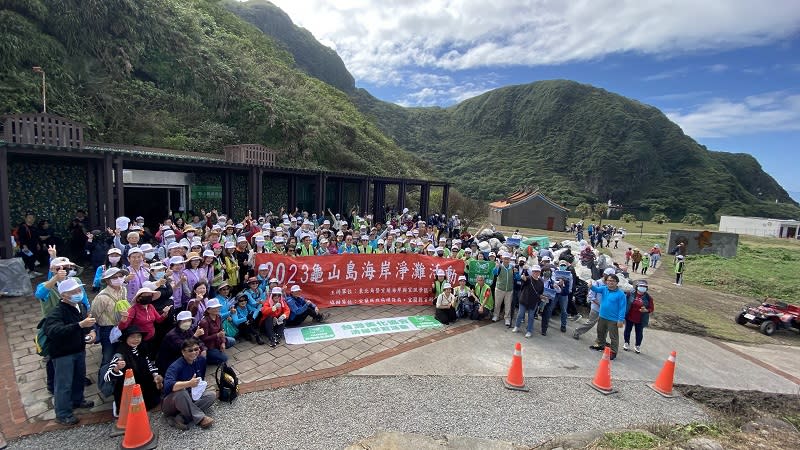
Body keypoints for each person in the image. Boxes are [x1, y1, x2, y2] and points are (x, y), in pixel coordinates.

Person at [42, 278, 96, 426]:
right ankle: (63, 413)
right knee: (63, 383)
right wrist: (79, 325)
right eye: (74, 292)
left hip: (79, 349)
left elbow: (86, 325)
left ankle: (78, 400)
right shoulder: (57, 312)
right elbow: (53, 331)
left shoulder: (80, 307)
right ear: (64, 295)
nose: (78, 293)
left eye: (79, 290)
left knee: (79, 377)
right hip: (63, 353)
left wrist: (90, 332)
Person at [104, 325, 163, 416]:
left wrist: (155, 375)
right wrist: (116, 368)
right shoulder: (120, 354)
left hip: (144, 385)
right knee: (131, 411)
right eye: (132, 337)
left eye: (138, 336)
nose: (136, 339)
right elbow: (106, 377)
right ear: (126, 338)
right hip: (128, 387)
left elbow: (149, 365)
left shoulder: (142, 348)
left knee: (150, 404)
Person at [89, 267, 129, 397]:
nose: (119, 279)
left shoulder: (123, 289)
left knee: (120, 354)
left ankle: (118, 381)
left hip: (121, 326)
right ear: (107, 280)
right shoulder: (101, 297)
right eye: (114, 277)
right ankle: (105, 386)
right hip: (108, 329)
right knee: (107, 356)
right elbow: (95, 316)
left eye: (120, 276)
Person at [162, 338, 215, 430]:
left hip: (190, 396)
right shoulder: (175, 366)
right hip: (171, 402)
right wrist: (189, 384)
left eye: (196, 349)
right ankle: (200, 418)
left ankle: (181, 417)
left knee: (211, 395)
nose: (194, 352)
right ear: (183, 352)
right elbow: (169, 386)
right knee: (181, 392)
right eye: (190, 350)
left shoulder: (201, 360)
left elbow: (200, 380)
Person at [589, 274, 628, 360]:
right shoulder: (604, 288)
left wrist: (620, 320)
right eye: (609, 280)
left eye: (612, 281)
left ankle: (613, 352)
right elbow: (596, 289)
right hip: (602, 316)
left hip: (613, 319)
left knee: (613, 336)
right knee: (600, 331)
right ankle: (600, 345)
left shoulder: (621, 294)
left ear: (616, 283)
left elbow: (622, 308)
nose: (610, 282)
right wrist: (591, 286)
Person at [574, 268, 616, 342]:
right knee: (591, 322)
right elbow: (591, 296)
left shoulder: (611, 286)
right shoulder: (598, 283)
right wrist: (599, 304)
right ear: (604, 275)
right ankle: (577, 331)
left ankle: (601, 340)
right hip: (596, 308)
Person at [623, 280, 655, 353]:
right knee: (627, 330)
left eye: (644, 287)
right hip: (630, 316)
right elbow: (624, 302)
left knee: (639, 333)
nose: (642, 288)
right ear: (637, 287)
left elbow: (651, 308)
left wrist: (646, 310)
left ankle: (637, 345)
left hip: (641, 318)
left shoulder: (648, 298)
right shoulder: (630, 294)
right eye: (641, 286)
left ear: (646, 288)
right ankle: (626, 343)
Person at [198, 299, 232, 365]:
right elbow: (203, 339)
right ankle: (209, 358)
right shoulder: (204, 322)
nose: (217, 309)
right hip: (209, 345)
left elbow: (221, 330)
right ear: (208, 310)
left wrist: (223, 342)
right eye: (214, 308)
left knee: (232, 341)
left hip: (218, 341)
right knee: (224, 359)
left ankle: (217, 352)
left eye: (218, 307)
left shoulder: (218, 316)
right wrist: (217, 335)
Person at [513, 265, 544, 338]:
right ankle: (517, 326)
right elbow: (524, 279)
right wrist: (523, 277)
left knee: (531, 317)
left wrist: (541, 297)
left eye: (537, 271)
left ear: (539, 272)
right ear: (532, 272)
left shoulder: (541, 282)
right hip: (524, 300)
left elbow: (540, 293)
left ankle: (529, 331)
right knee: (520, 314)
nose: (536, 273)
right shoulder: (528, 278)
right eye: (534, 271)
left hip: (533, 302)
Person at [492, 252, 518, 326]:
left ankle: (507, 318)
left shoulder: (512, 267)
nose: (506, 260)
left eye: (508, 259)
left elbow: (517, 278)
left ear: (509, 260)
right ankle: (496, 316)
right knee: (497, 303)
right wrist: (496, 267)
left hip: (509, 290)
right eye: (505, 259)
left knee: (508, 305)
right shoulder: (499, 266)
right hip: (500, 288)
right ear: (502, 259)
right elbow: (494, 273)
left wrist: (516, 273)